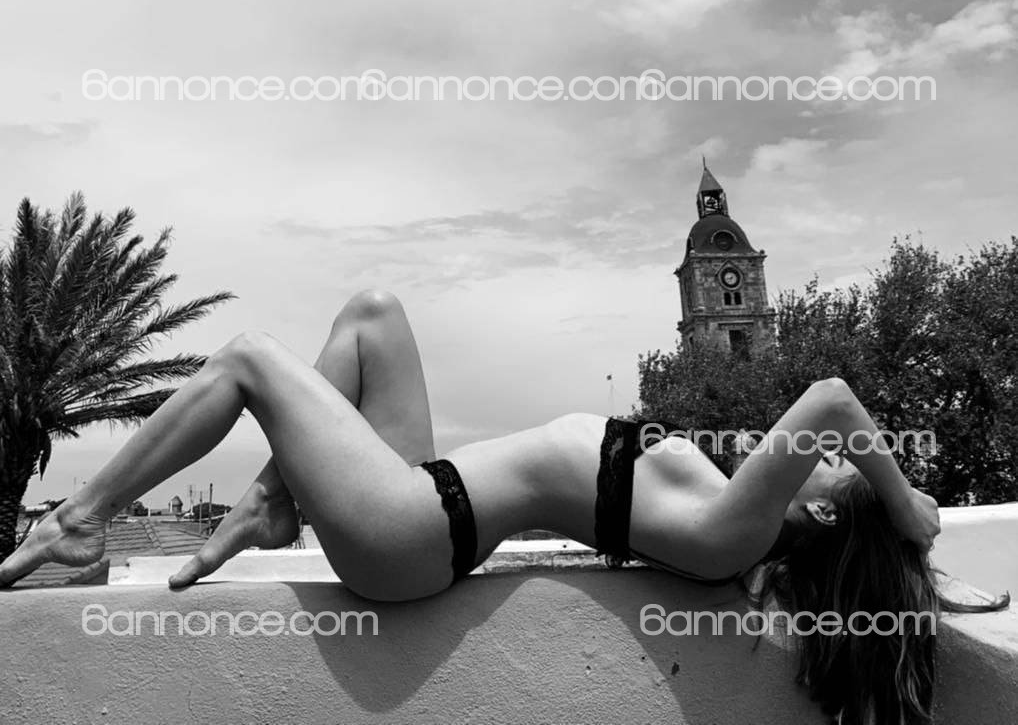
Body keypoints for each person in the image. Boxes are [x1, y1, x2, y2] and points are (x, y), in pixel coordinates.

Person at [0, 290, 964, 722]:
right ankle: (266, 504)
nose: (827, 458)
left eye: (837, 473)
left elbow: (834, 400)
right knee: (374, 313)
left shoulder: (737, 531)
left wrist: (906, 506)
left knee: (250, 357)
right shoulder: (734, 515)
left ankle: (82, 517)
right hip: (427, 499)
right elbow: (830, 423)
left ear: (826, 516)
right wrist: (896, 515)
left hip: (415, 534)